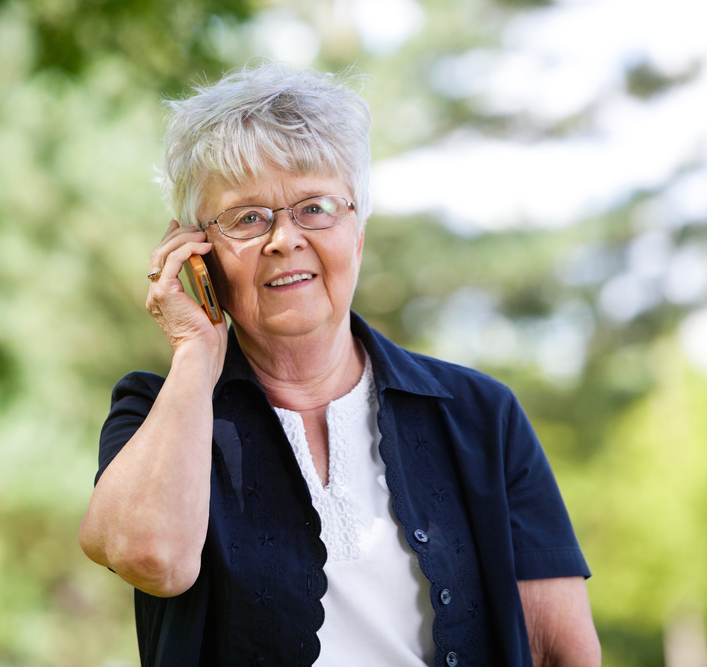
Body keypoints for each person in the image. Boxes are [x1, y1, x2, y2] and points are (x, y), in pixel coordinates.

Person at [78, 62, 600, 666]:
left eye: (316, 207)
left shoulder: (481, 415)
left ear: (357, 229)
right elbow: (155, 560)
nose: (284, 239)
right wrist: (196, 351)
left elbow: (560, 651)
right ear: (197, 253)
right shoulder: (156, 413)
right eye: (247, 218)